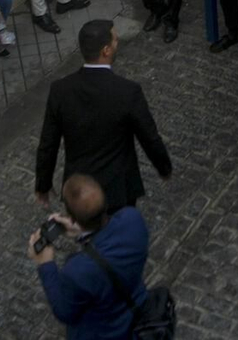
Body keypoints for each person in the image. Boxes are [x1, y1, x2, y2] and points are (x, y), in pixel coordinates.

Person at [35, 20, 171, 215]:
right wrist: (164, 167)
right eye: (115, 40)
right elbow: (149, 136)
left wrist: (43, 184)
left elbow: (48, 143)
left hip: (80, 193)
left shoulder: (60, 91)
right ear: (106, 50)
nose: (118, 44)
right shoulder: (127, 91)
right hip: (118, 190)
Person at [29, 174, 149, 340]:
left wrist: (45, 264)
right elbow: (110, 238)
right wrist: (82, 232)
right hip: (140, 319)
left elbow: (64, 312)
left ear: (71, 217)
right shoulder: (133, 219)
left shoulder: (78, 271)